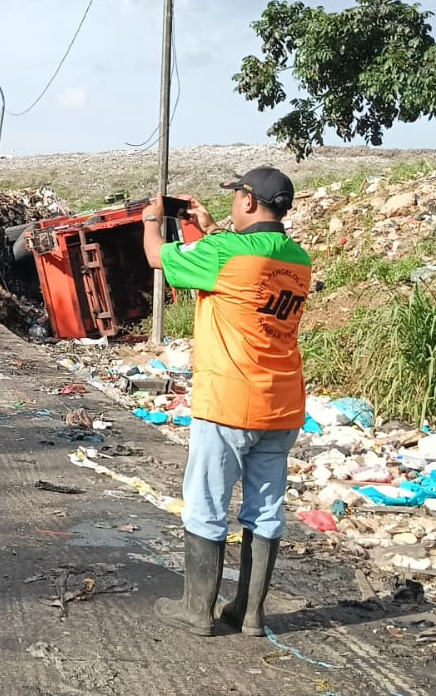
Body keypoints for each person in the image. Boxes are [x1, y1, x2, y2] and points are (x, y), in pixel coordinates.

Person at [140, 167, 312, 637]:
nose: (235, 201)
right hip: (282, 403)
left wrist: (151, 221)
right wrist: (208, 227)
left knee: (206, 503)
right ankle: (250, 613)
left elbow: (158, 257)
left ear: (250, 201)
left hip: (229, 402)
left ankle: (198, 611)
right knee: (266, 508)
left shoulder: (223, 253)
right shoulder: (298, 259)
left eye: (237, 195)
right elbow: (248, 272)